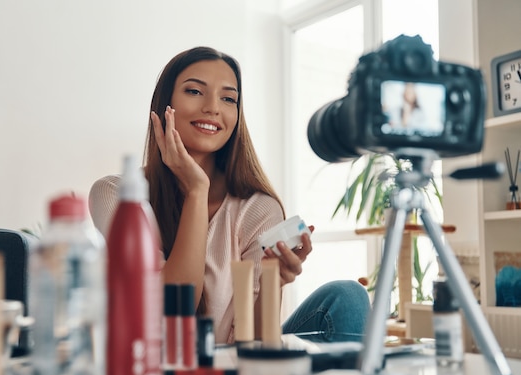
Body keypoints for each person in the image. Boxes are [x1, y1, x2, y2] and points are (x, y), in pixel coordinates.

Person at [89, 46, 370, 344]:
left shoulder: (258, 207)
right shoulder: (116, 195)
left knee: (348, 297)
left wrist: (273, 279)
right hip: (155, 363)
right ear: (163, 105)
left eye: (228, 98)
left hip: (238, 366)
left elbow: (257, 343)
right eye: (195, 91)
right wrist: (197, 191)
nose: (213, 107)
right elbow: (170, 310)